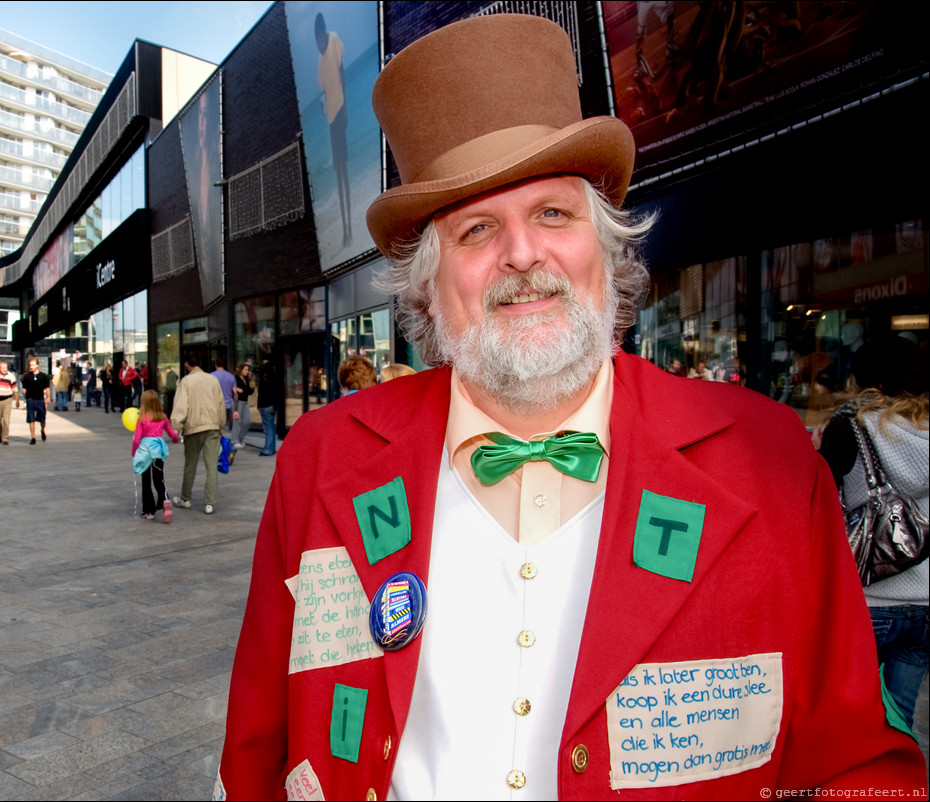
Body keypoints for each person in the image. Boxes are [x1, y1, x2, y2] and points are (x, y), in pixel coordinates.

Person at [217, 15, 924, 800]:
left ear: (606, 247)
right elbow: (256, 745)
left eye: (552, 214)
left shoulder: (768, 458)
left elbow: (858, 763)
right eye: (477, 229)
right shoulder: (322, 458)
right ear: (428, 283)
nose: (522, 254)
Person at [817, 336, 929, 743]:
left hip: (870, 598)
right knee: (901, 713)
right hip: (927, 601)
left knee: (850, 709)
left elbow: (821, 491)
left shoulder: (854, 426)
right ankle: (899, 780)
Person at [170, 353, 225, 515]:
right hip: (212, 427)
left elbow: (181, 406)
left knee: (190, 465)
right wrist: (221, 425)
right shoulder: (212, 380)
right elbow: (220, 404)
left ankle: (186, 499)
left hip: (192, 428)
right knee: (211, 466)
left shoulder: (186, 381)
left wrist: (176, 428)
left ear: (187, 365)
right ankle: (210, 503)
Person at [315, 11, 351, 248]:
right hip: (330, 121)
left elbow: (341, 74)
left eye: (318, 39)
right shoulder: (319, 63)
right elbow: (324, 90)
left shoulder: (334, 40)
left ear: (323, 34)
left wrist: (345, 106)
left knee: (344, 170)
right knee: (338, 171)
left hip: (339, 115)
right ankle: (346, 230)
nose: (317, 44)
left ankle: (349, 227)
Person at [133, 389, 181, 522]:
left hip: (145, 452)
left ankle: (149, 510)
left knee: (146, 481)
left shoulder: (142, 418)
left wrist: (134, 452)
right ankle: (165, 499)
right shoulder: (163, 416)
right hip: (158, 452)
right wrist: (176, 439)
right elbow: (172, 433)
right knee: (159, 479)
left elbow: (137, 438)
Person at [20, 358, 51, 445]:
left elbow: (47, 388)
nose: (31, 367)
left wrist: (48, 397)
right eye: (30, 365)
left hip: (40, 399)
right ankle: (33, 437)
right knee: (31, 419)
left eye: (33, 365)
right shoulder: (26, 376)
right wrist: (24, 392)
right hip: (30, 399)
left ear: (37, 365)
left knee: (42, 419)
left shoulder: (43, 376)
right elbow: (24, 387)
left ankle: (42, 430)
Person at [255, 357, 281, 457]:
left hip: (265, 405)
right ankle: (271, 448)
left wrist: (259, 405)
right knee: (272, 428)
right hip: (273, 405)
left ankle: (267, 449)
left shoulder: (263, 379)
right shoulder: (274, 378)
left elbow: (260, 394)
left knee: (268, 428)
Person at [212, 357, 239, 442]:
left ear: (216, 364)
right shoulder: (231, 377)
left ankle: (216, 447)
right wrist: (236, 409)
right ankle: (225, 448)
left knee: (214, 428)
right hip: (227, 405)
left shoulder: (211, 376)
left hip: (214, 406)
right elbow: (235, 394)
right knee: (224, 428)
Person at [232, 363, 254, 449]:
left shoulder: (246, 378)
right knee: (237, 422)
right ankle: (235, 441)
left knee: (247, 422)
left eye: (248, 370)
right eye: (246, 369)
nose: (247, 371)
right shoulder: (235, 378)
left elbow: (248, 392)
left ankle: (240, 439)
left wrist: (252, 388)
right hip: (238, 401)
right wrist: (236, 389)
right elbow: (231, 387)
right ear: (241, 370)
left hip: (245, 402)